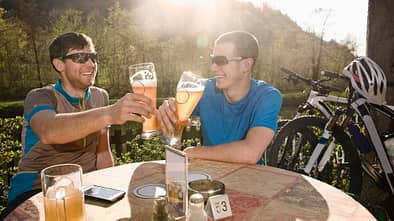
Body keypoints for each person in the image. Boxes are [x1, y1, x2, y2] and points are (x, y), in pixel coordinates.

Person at [7, 32, 154, 205]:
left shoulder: (100, 97)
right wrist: (110, 113)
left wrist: (110, 188)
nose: (91, 64)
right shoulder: (41, 96)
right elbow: (49, 131)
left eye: (93, 57)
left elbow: (103, 152)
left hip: (86, 188)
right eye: (80, 57)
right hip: (36, 191)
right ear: (59, 64)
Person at [157, 31, 282, 164]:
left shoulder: (267, 96)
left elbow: (250, 153)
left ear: (246, 65)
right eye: (213, 60)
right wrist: (167, 110)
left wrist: (191, 152)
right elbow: (175, 114)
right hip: (208, 177)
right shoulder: (203, 90)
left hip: (249, 178)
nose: (213, 67)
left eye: (220, 61)